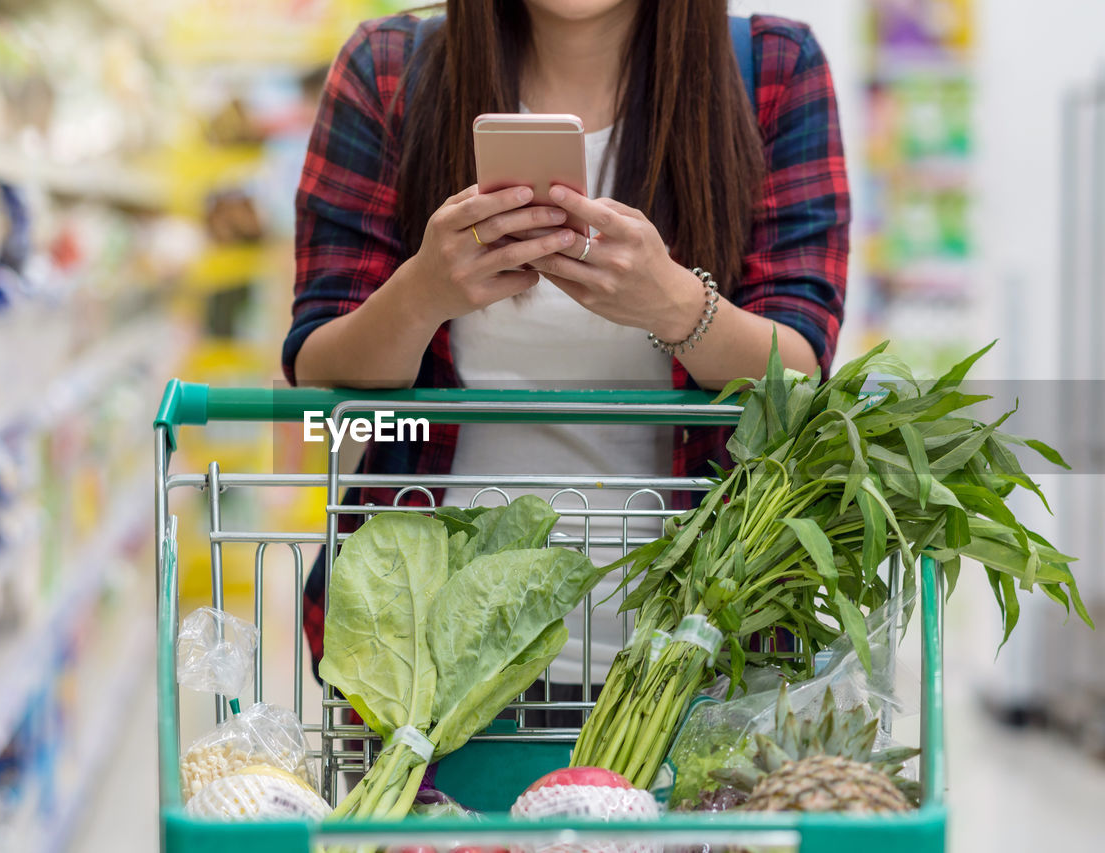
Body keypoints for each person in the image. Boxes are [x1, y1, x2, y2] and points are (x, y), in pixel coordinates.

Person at [284, 0, 849, 717]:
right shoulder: (388, 68)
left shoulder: (773, 69)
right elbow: (318, 364)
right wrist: (423, 293)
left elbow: (800, 361)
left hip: (693, 663)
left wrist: (673, 305)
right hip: (427, 665)